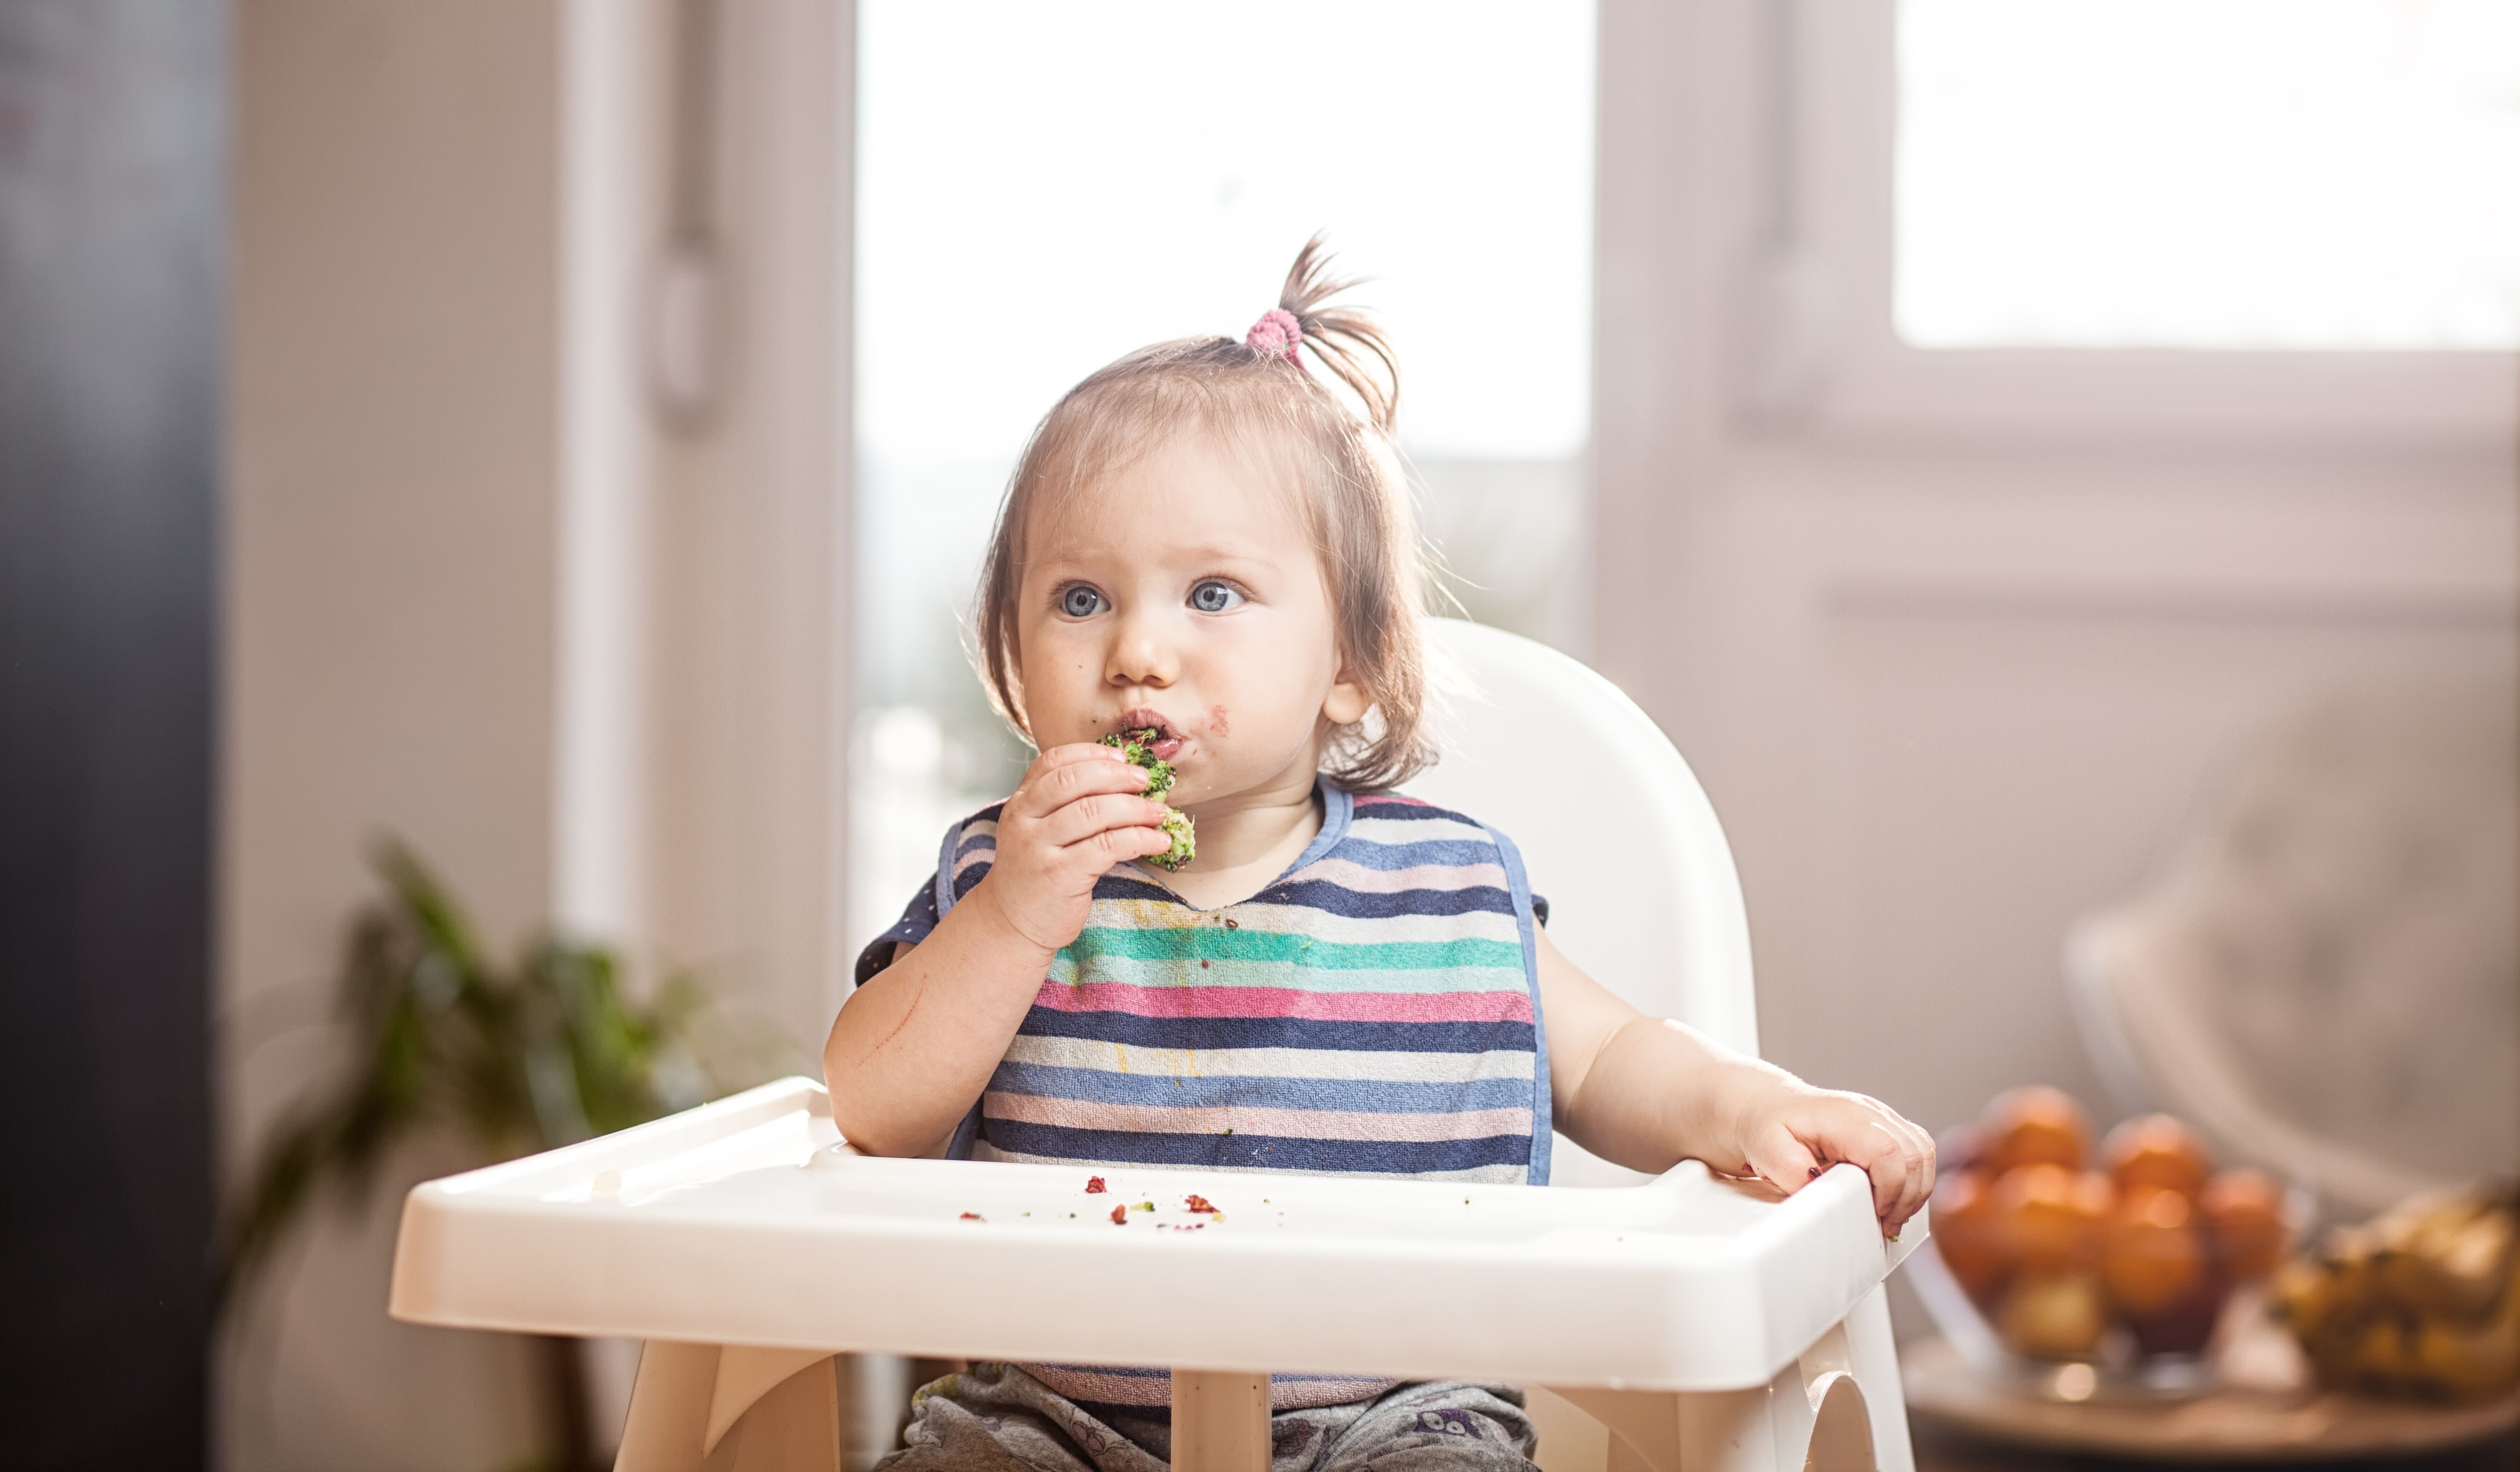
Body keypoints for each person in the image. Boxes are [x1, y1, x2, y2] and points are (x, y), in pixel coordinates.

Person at [825, 239, 1937, 1472]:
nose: (1138, 651)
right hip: (1048, 1418)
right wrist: (1013, 921)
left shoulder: (1443, 899)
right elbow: (866, 1113)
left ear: (1349, 665)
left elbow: (1615, 1055)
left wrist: (1755, 1107)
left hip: (1391, 1415)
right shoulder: (1005, 882)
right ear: (1011, 648)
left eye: (1211, 596)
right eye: (1079, 599)